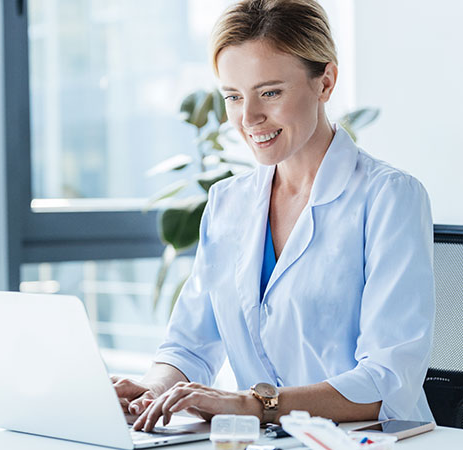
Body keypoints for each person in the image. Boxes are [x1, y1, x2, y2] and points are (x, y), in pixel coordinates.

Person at [113, 0, 435, 431]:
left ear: (325, 82)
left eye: (270, 92)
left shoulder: (389, 198)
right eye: (233, 96)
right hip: (268, 440)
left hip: (372, 441)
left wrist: (255, 404)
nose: (248, 118)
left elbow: (388, 382)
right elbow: (189, 346)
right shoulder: (228, 202)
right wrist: (154, 390)